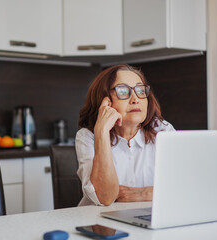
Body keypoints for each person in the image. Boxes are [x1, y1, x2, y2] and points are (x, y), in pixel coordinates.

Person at [75, 64, 175, 206]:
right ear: (104, 101)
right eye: (123, 91)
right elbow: (106, 198)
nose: (135, 99)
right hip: (99, 222)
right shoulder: (87, 136)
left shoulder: (163, 131)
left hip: (148, 219)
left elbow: (183, 186)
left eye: (140, 90)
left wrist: (142, 194)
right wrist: (102, 132)